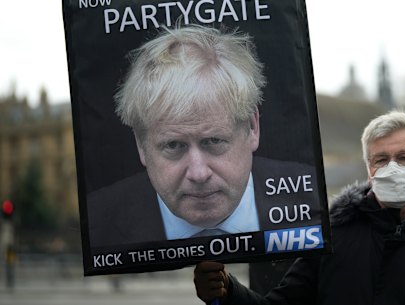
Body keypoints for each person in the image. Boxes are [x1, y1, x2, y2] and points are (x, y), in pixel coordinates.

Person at [194, 110, 405, 305]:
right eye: (381, 159)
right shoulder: (332, 242)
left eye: (404, 158)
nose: (393, 167)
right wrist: (228, 290)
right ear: (368, 170)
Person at [87, 25, 319, 247]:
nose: (198, 174)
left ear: (252, 127)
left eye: (214, 141)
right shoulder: (98, 223)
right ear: (141, 145)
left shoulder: (315, 200)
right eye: (174, 145)